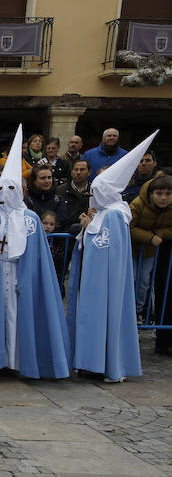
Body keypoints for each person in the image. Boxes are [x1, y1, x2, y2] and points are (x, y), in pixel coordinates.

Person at [0, 125, 70, 379]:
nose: (5, 194)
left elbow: (38, 254)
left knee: (18, 317)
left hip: (21, 274)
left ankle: (19, 361)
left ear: (20, 190)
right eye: (1, 189)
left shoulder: (30, 218)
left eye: (11, 189)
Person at [68, 130, 158, 383]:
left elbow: (107, 248)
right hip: (94, 281)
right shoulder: (104, 213)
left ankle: (106, 363)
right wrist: (86, 228)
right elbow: (90, 244)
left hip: (107, 283)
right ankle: (88, 361)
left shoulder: (117, 215)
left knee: (105, 319)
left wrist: (90, 228)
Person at [129, 175, 172, 321]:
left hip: (149, 252)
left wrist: (159, 234)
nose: (163, 198)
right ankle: (128, 313)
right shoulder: (138, 204)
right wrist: (150, 237)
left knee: (143, 281)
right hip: (131, 249)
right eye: (159, 194)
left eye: (168, 194)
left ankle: (137, 312)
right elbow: (128, 227)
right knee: (131, 278)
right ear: (151, 194)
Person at [27, 164, 69, 230]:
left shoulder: (58, 200)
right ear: (34, 181)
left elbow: (62, 222)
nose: (47, 181)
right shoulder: (27, 200)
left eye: (49, 177)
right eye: (42, 178)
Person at [56, 159, 92, 235]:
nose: (78, 173)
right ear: (71, 172)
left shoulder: (94, 190)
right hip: (66, 235)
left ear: (89, 172)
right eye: (76, 170)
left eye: (82, 170)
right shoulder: (60, 191)